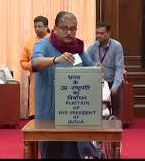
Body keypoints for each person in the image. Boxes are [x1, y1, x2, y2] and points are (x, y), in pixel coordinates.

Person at [31, 11, 101, 159]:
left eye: (73, 28)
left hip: (74, 113)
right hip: (49, 115)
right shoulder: (43, 44)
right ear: (55, 28)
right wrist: (56, 59)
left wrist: (98, 68)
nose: (69, 32)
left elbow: (91, 67)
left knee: (74, 154)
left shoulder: (77, 47)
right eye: (65, 28)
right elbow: (35, 63)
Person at [87, 21, 126, 118]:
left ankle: (115, 124)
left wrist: (115, 86)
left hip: (112, 81)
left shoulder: (117, 46)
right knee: (98, 110)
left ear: (109, 33)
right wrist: (94, 66)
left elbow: (119, 67)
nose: (98, 35)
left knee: (115, 109)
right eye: (97, 33)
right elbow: (85, 64)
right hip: (97, 82)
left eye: (102, 33)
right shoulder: (92, 47)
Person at [20, 16, 50, 119]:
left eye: (40, 26)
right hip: (36, 78)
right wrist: (33, 65)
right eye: (35, 27)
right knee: (36, 107)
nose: (37, 29)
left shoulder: (53, 40)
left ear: (46, 27)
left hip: (53, 77)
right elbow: (23, 62)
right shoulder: (29, 43)